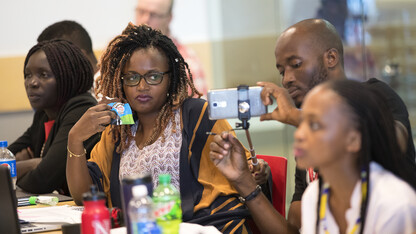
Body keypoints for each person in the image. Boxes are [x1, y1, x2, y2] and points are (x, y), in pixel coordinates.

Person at [66, 23, 269, 233]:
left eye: (154, 77)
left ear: (170, 78)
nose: (142, 87)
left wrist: (258, 170)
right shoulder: (119, 130)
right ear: (121, 81)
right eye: (132, 77)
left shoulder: (197, 116)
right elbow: (84, 196)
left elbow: (244, 170)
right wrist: (75, 139)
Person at [256, 18, 415, 230]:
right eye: (282, 71)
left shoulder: (375, 96)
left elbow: (389, 143)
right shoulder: (315, 189)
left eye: (295, 65)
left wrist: (300, 119)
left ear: (331, 58)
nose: (286, 80)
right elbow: (296, 224)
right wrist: (247, 185)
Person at [210, 79, 416, 234]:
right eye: (302, 122)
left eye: (314, 125)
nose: (299, 133)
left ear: (354, 139)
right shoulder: (316, 194)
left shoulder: (393, 204)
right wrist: (242, 179)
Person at [8, 39, 100, 195]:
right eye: (27, 75)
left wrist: (21, 168)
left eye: (43, 75)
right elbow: (7, 154)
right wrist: (32, 164)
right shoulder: (44, 114)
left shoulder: (81, 109)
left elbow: (41, 180)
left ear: (67, 76)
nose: (32, 83)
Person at [135, 0, 208, 96]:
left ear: (169, 18)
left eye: (153, 15)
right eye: (141, 11)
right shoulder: (119, 54)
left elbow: (199, 108)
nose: (145, 19)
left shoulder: (187, 62)